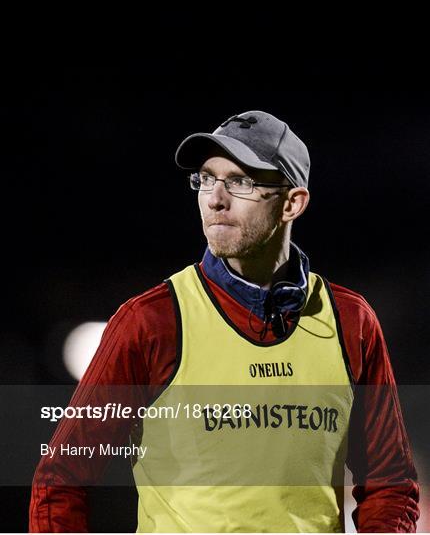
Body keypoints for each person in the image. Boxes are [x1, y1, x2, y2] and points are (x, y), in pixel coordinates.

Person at [29, 110, 420, 533]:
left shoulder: (351, 321)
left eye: (240, 181)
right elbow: (61, 479)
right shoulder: (151, 322)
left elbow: (390, 485)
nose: (215, 197)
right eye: (205, 179)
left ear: (293, 202)